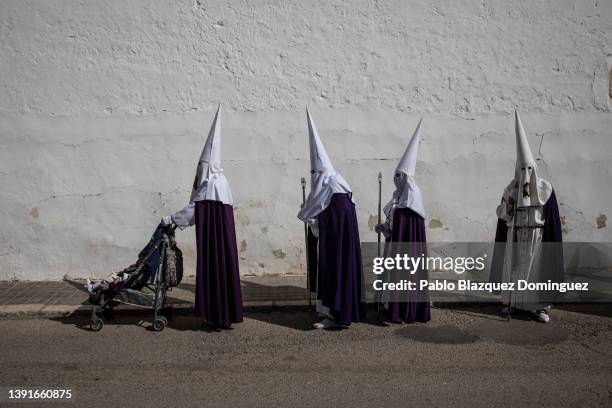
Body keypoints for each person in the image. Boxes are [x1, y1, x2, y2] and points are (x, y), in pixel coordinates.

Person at [162, 106, 243, 329]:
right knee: (225, 271)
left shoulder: (210, 185)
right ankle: (226, 316)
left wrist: (170, 219)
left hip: (212, 244)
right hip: (223, 242)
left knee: (215, 272)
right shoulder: (223, 183)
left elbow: (195, 211)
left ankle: (217, 317)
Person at [489, 111, 563, 323]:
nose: (525, 173)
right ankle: (512, 304)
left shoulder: (545, 190)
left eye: (529, 169)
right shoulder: (510, 189)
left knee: (535, 273)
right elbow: (501, 215)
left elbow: (551, 218)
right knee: (513, 272)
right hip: (515, 236)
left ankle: (538, 307)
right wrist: (510, 206)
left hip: (536, 239)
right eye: (522, 169)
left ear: (534, 169)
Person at [298, 108, 366, 329]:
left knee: (335, 270)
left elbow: (324, 223)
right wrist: (311, 216)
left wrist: (309, 218)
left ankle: (336, 315)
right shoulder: (337, 186)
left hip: (335, 247)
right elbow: (320, 210)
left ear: (322, 175)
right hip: (337, 243)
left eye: (315, 175)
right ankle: (337, 312)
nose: (315, 178)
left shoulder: (333, 191)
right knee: (337, 270)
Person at [375, 119, 430, 323]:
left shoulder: (413, 199)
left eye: (400, 175)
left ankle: (406, 311)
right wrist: (384, 228)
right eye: (395, 175)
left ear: (406, 177)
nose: (396, 179)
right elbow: (393, 229)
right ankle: (391, 308)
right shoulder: (397, 199)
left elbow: (408, 229)